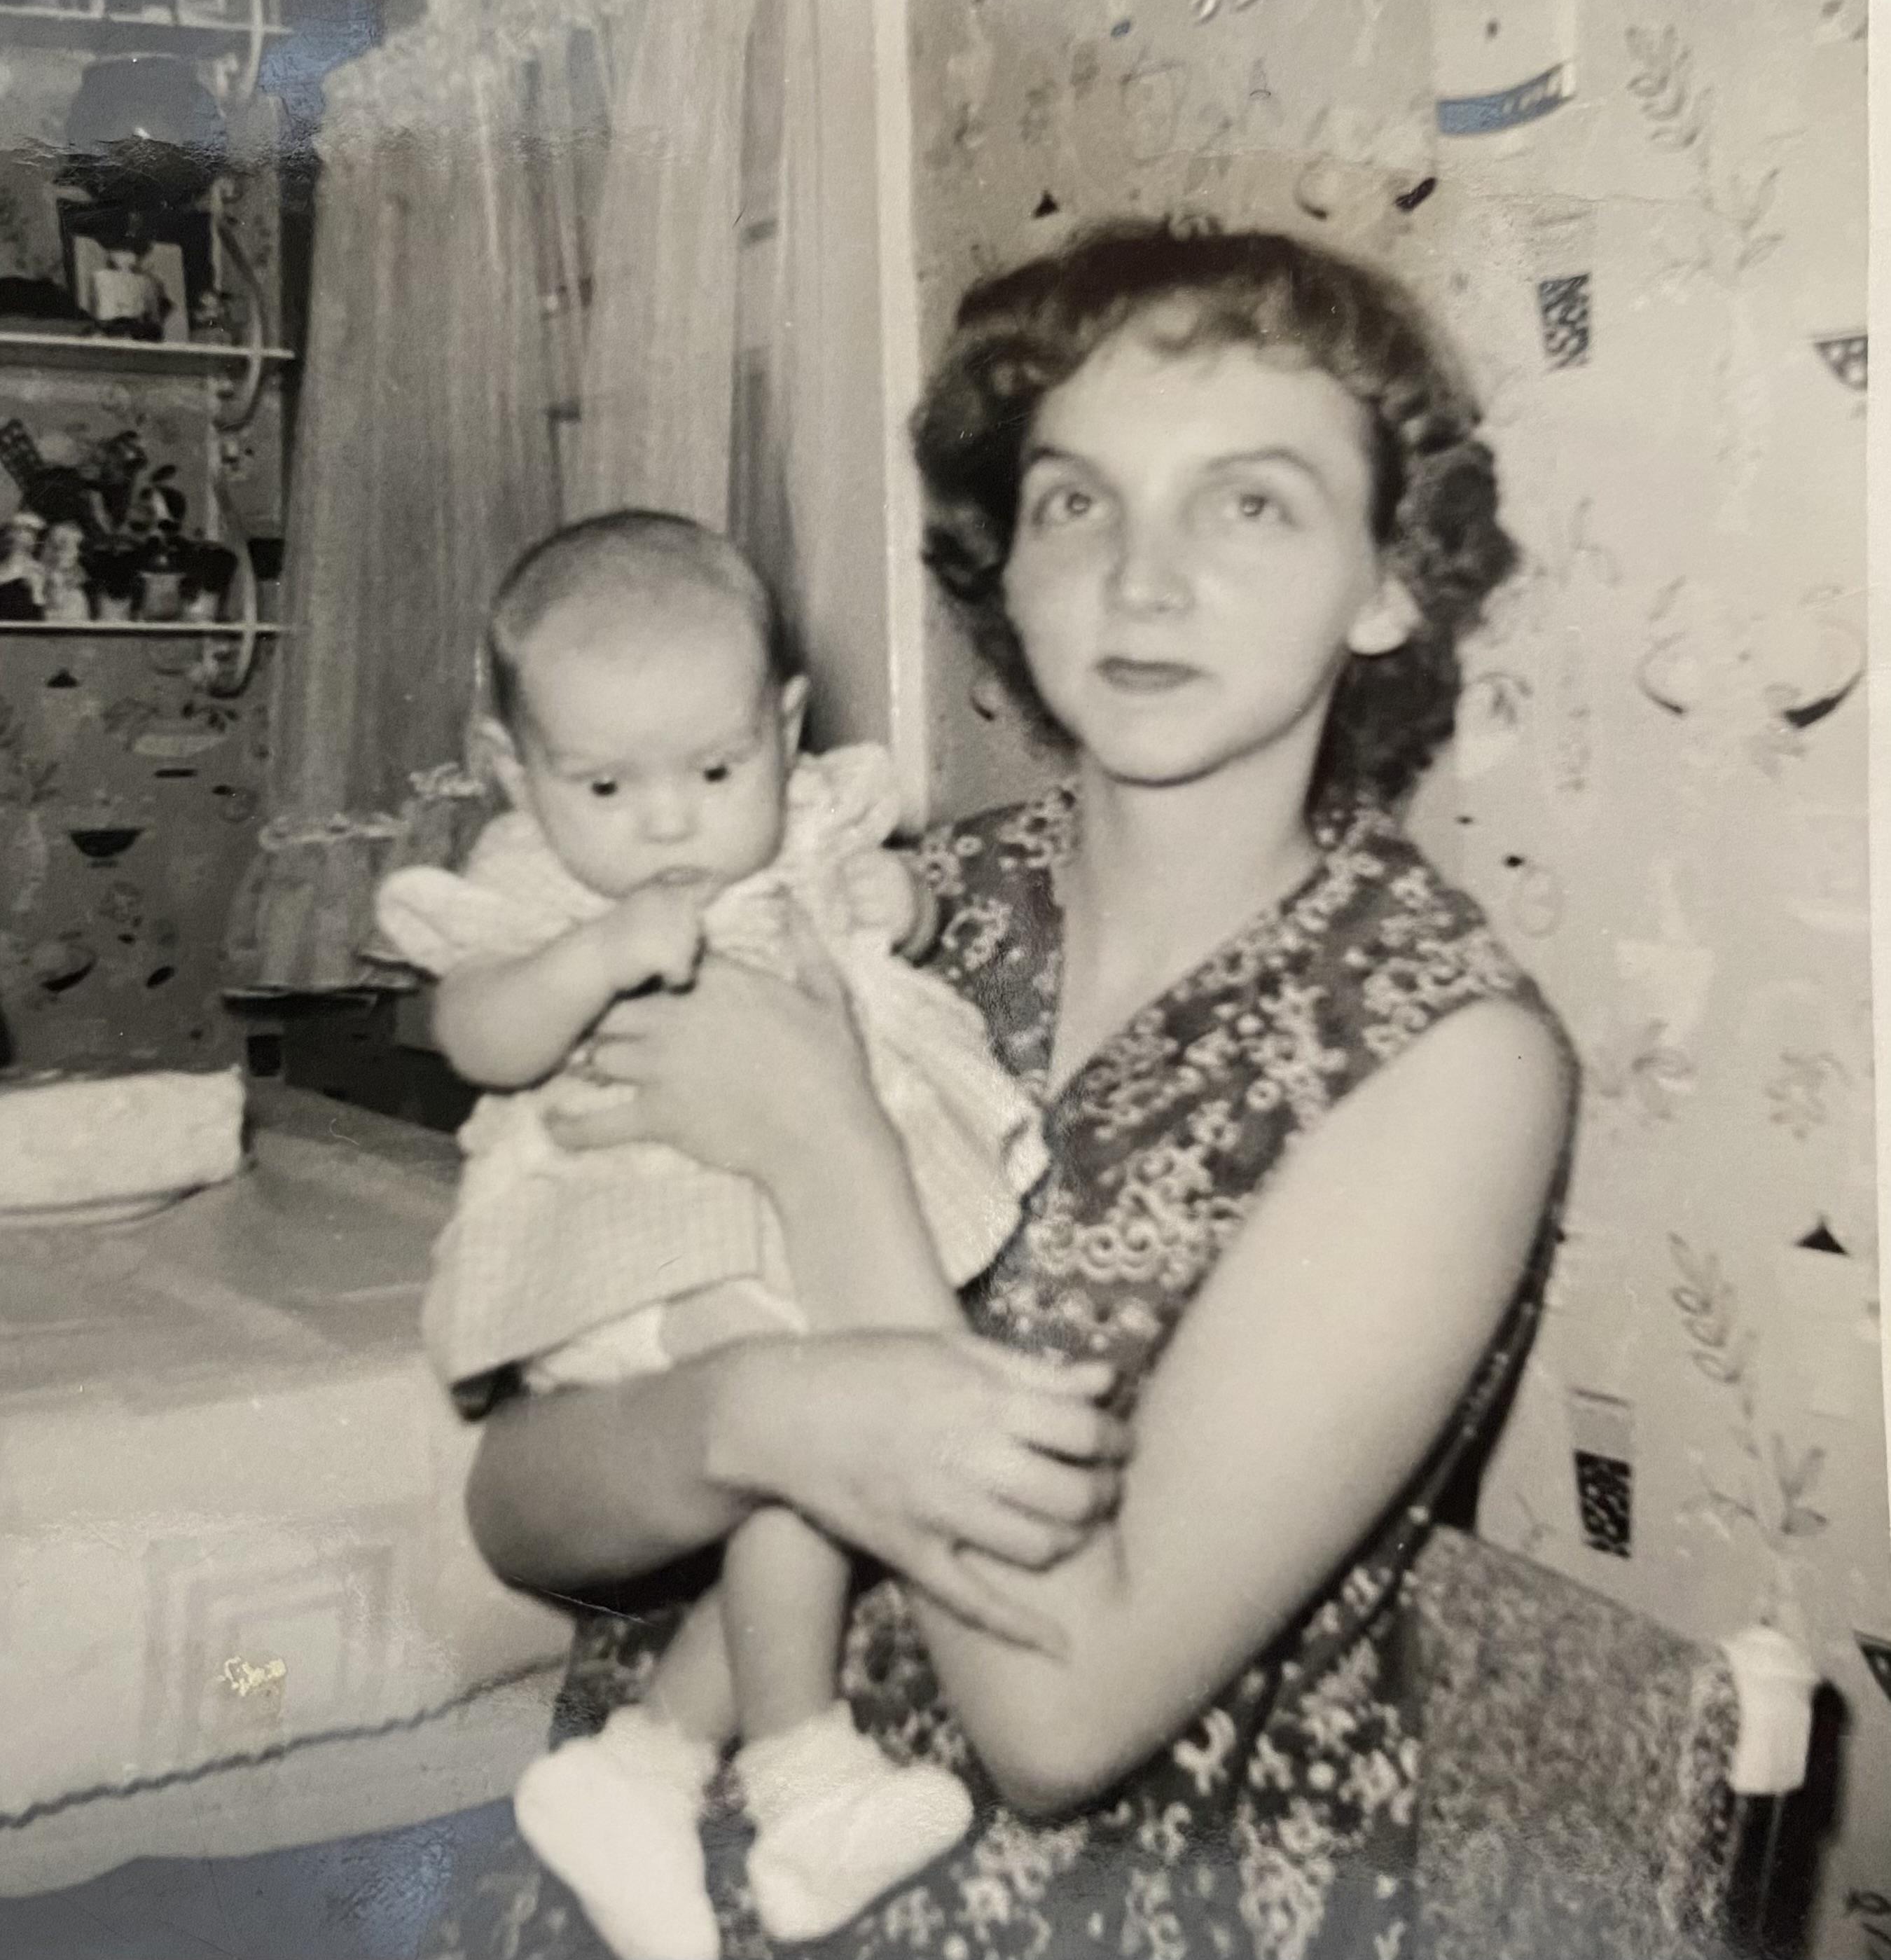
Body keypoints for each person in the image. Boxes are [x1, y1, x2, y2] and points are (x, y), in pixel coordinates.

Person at [428, 220, 1575, 1960]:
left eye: (1250, 502)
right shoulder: (864, 902)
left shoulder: (1441, 1057)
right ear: (1009, 562)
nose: (1142, 577)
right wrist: (746, 1414)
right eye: (1076, 502)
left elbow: (1062, 1721)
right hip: (647, 1871)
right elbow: (522, 1506)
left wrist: (829, 1156)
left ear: (1389, 578)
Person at [375, 511, 1055, 1959]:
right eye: (607, 781)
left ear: (784, 725)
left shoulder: (803, 822)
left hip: (781, 1229)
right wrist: (591, 956)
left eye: (717, 767)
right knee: (813, 1398)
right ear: (517, 771)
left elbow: (877, 926)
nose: (671, 820)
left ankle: (651, 1765)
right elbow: (473, 1030)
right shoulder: (541, 878)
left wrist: (905, 902)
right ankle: (798, 1765)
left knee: (813, 1427)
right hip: (620, 1257)